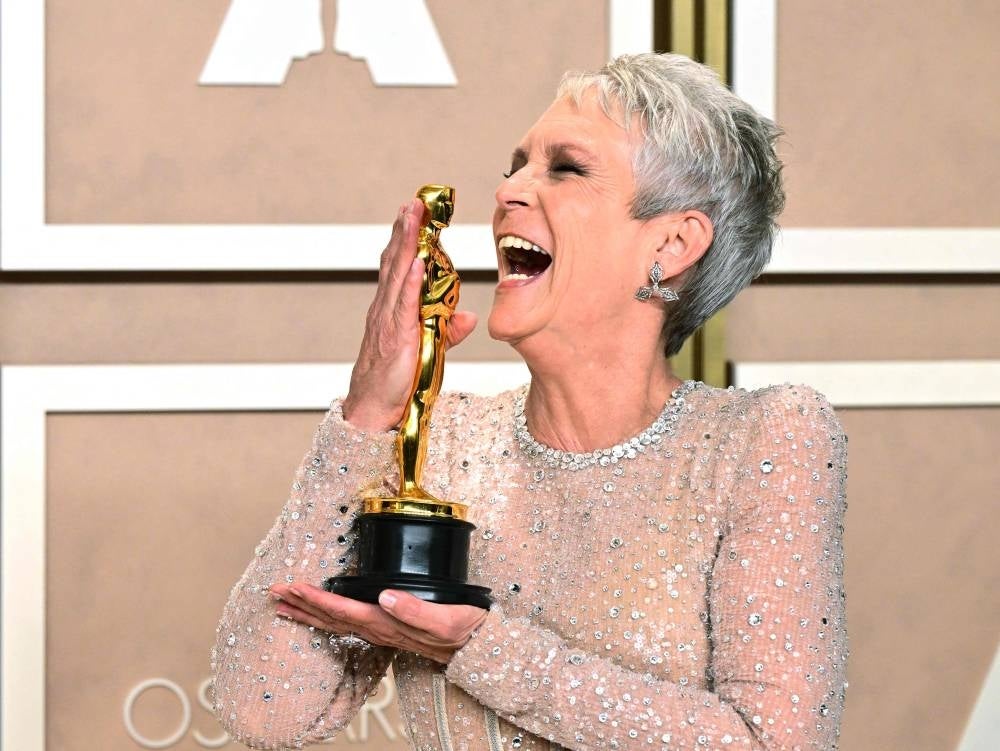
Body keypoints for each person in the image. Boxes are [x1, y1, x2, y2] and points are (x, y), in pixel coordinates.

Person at [210, 53, 848, 750]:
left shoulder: (764, 439)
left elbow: (774, 742)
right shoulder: (441, 450)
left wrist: (478, 646)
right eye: (515, 165)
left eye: (565, 168)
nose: (509, 188)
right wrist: (365, 412)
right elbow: (264, 710)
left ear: (671, 242)